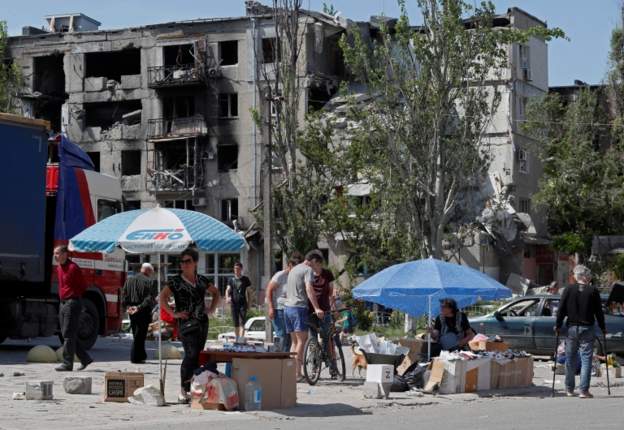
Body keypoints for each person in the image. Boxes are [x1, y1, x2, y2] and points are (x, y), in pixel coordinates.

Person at [160, 248, 220, 403]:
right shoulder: (175, 281)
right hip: (186, 324)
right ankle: (183, 390)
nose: (184, 264)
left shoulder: (202, 280)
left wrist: (211, 309)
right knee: (190, 354)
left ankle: (195, 388)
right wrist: (173, 314)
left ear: (195, 263)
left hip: (202, 323)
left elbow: (216, 293)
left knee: (198, 355)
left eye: (187, 261)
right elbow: (162, 298)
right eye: (182, 262)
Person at [555, 264, 606, 399]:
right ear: (584, 276)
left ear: (576, 276)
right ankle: (583, 391)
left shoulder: (568, 289)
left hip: (571, 328)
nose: (589, 277)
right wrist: (603, 327)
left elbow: (561, 309)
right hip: (587, 328)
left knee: (570, 358)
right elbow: (599, 312)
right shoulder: (593, 291)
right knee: (586, 359)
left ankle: (569, 389)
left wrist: (558, 325)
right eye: (588, 275)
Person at [284, 250, 325, 380]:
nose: (318, 268)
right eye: (318, 265)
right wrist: (317, 308)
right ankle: (297, 373)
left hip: (287, 308)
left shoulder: (293, 269)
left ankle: (291, 372)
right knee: (302, 341)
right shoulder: (307, 270)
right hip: (299, 308)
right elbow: (309, 288)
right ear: (313, 261)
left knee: (294, 342)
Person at [53, 245, 93, 372]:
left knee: (68, 334)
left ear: (65, 254)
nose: (55, 256)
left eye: (57, 253)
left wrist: (74, 296)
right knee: (66, 334)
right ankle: (85, 358)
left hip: (72, 302)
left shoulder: (73, 268)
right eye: (54, 253)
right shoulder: (59, 267)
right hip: (63, 303)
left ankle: (67, 363)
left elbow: (83, 286)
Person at [266, 252, 303, 352]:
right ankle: (279, 358)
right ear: (290, 265)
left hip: (292, 310)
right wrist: (270, 308)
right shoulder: (280, 275)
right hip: (279, 310)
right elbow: (269, 290)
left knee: (291, 338)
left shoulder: (297, 276)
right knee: (282, 336)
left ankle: (286, 359)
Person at [122, 262, 157, 363]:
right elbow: (150, 298)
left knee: (136, 333)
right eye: (152, 272)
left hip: (131, 309)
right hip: (143, 310)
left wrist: (127, 307)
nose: (152, 274)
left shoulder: (129, 280)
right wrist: (139, 307)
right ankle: (136, 357)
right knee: (140, 335)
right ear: (149, 271)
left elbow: (124, 295)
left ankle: (141, 356)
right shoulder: (152, 281)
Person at [308, 261, 338, 377]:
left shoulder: (327, 274)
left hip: (325, 310)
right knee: (313, 341)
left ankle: (332, 367)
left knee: (327, 339)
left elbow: (331, 293)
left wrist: (333, 307)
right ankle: (314, 366)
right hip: (310, 311)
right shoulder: (307, 274)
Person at [225, 262, 252, 339]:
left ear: (241, 269)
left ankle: (241, 339)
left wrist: (249, 304)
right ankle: (237, 339)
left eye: (238, 268)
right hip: (234, 304)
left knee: (242, 322)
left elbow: (249, 292)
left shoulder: (245, 279)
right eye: (235, 268)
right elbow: (228, 290)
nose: (236, 270)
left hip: (243, 303)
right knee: (236, 323)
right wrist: (227, 297)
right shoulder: (231, 280)